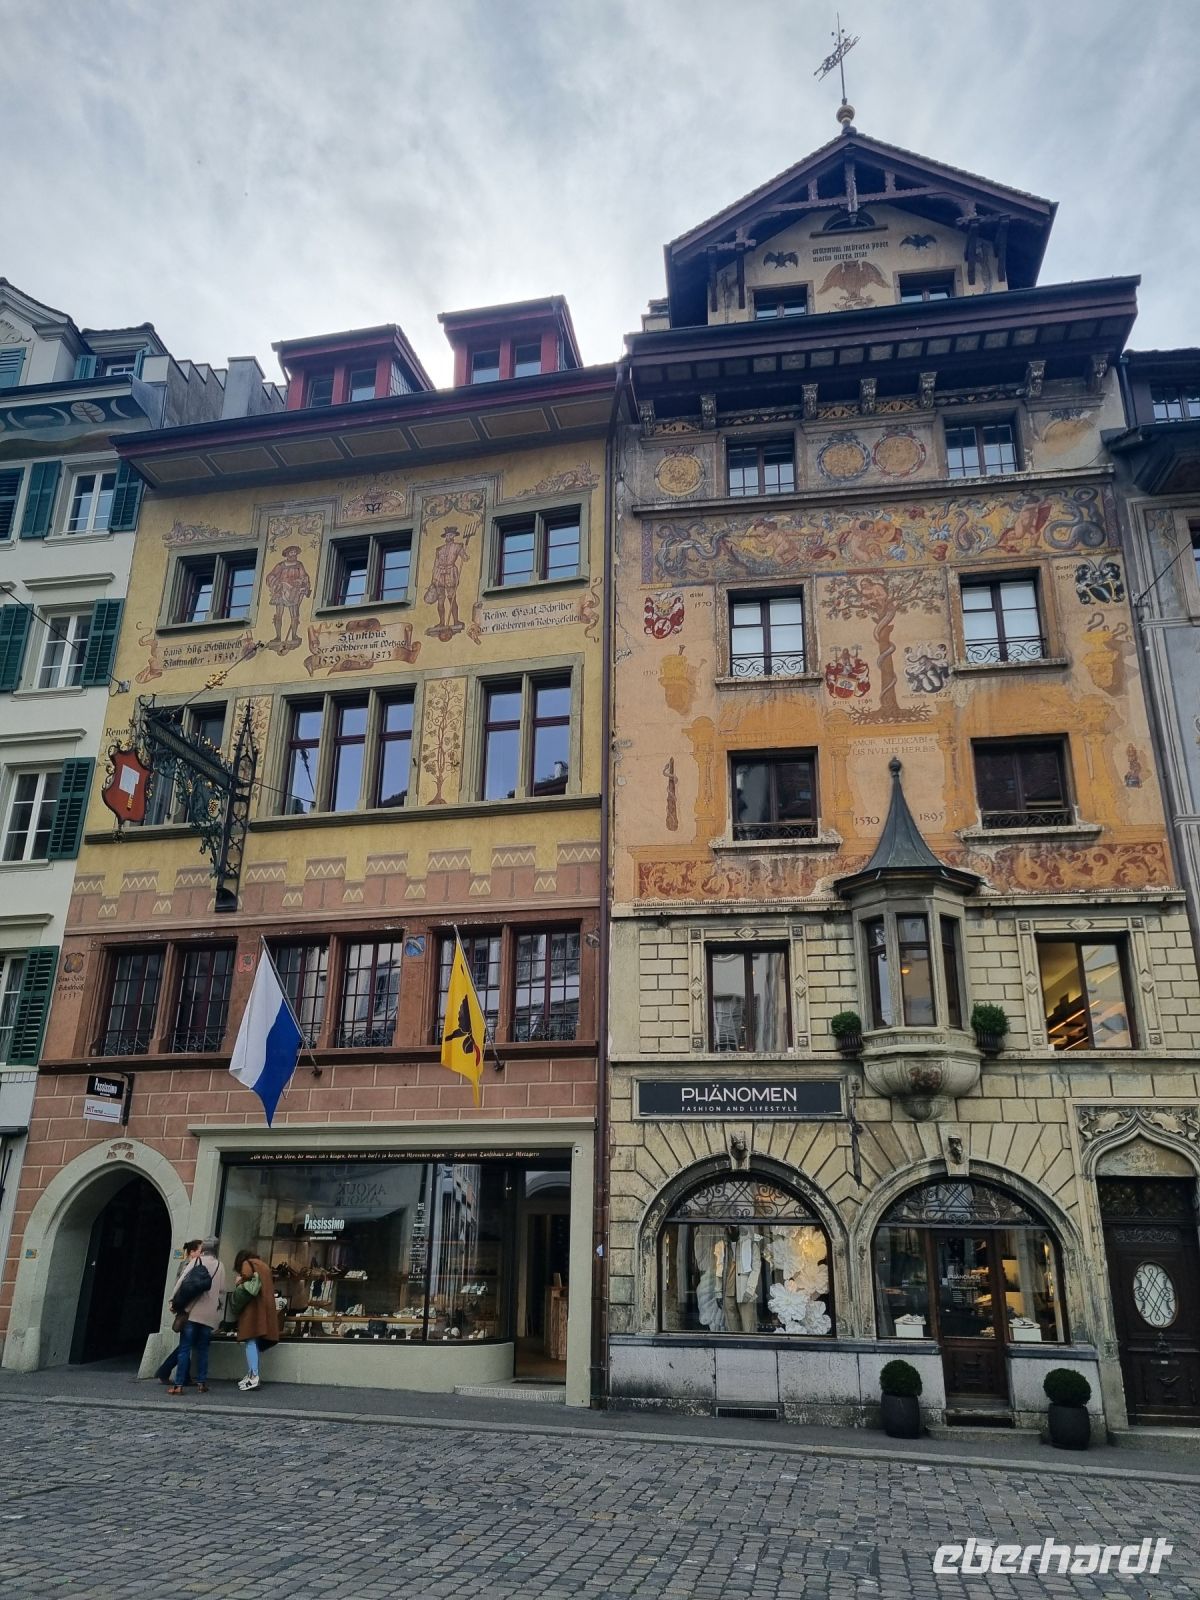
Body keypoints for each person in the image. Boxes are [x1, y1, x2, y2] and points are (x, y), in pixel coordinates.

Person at [168, 1236, 226, 1396]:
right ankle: (201, 1382)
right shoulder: (220, 1266)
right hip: (208, 1315)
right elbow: (221, 1291)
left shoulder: (197, 1261)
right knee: (203, 1350)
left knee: (185, 1348)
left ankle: (179, 1384)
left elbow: (181, 1282)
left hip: (191, 1312)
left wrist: (173, 1301)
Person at [230, 1249, 280, 1392]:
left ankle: (253, 1375)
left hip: (253, 1309)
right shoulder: (263, 1266)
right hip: (264, 1309)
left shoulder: (247, 1264)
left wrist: (239, 1282)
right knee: (254, 1342)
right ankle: (251, 1374)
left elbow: (246, 1278)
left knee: (250, 1341)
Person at [156, 1239, 201, 1385]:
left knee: (186, 1342)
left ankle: (179, 1374)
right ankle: (166, 1371)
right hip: (187, 1309)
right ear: (192, 1252)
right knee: (187, 1343)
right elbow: (184, 1288)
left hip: (185, 1308)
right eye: (200, 1250)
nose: (203, 1253)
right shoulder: (188, 1266)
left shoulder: (187, 1265)